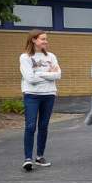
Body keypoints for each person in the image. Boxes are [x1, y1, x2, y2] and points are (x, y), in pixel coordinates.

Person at [19, 29, 61, 171]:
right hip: (32, 95)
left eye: (46, 39)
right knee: (30, 126)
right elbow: (30, 78)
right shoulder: (25, 57)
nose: (45, 41)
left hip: (49, 94)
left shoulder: (51, 56)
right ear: (33, 40)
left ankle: (39, 156)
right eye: (43, 39)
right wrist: (48, 73)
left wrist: (39, 73)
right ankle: (28, 159)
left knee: (43, 126)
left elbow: (58, 75)